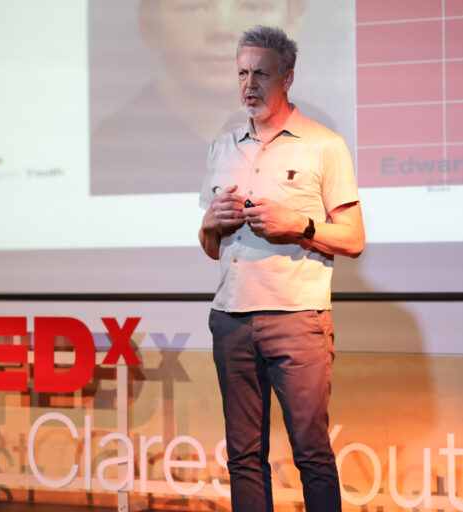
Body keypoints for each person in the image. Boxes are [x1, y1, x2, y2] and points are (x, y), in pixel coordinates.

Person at [198, 25, 364, 512]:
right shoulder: (221, 148)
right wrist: (209, 224)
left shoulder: (324, 146)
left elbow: (353, 239)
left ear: (287, 78)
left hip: (296, 319)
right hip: (231, 318)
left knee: (311, 453)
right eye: (242, 73)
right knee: (243, 457)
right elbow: (210, 247)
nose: (249, 84)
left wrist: (299, 225)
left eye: (261, 74)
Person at [89, 0, 338, 195]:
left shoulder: (315, 132)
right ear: (149, 24)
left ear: (292, 21)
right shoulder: (112, 149)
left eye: (252, 6)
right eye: (194, 6)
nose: (222, 30)